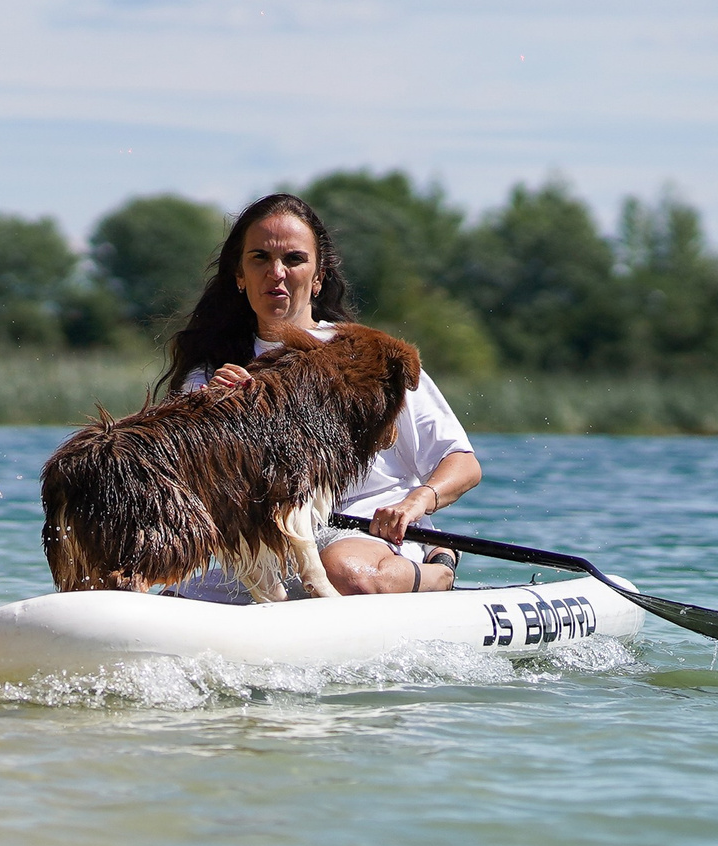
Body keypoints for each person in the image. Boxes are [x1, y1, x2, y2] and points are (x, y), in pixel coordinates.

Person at [159, 193, 481, 600]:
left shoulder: (367, 358)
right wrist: (216, 418)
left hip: (364, 532)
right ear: (239, 275)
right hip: (266, 545)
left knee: (343, 572)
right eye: (260, 258)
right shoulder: (209, 377)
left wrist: (418, 502)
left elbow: (462, 462)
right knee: (168, 597)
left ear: (318, 277)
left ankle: (438, 569)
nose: (276, 273)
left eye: (294, 259)